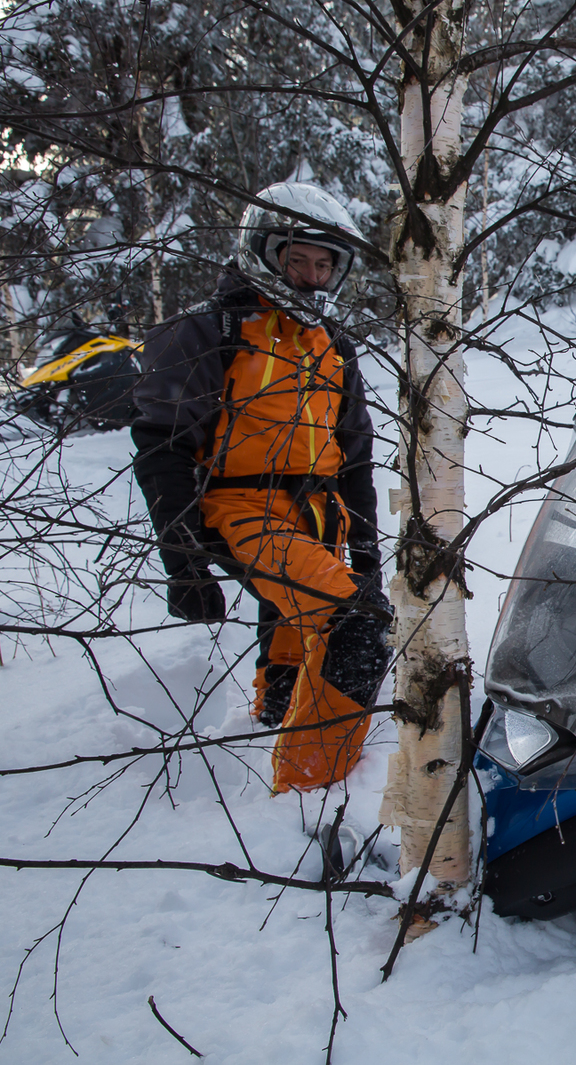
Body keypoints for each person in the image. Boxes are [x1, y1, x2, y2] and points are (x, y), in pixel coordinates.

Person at [131, 181, 388, 794]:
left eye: (324, 265)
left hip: (320, 512)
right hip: (238, 506)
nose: (309, 276)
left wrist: (368, 553)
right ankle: (310, 788)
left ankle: (278, 714)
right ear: (262, 250)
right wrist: (185, 564)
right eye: (296, 259)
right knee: (356, 621)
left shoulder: (332, 346)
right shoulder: (208, 332)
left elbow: (355, 460)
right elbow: (162, 448)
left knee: (301, 626)